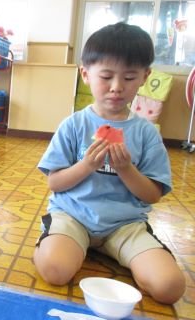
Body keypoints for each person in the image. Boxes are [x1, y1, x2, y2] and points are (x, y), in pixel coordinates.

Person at [33, 22, 186, 304]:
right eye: (106, 76)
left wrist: (126, 169)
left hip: (125, 225)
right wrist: (86, 165)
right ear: (85, 74)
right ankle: (54, 238)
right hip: (73, 216)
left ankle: (116, 251)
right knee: (55, 270)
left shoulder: (146, 133)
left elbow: (153, 194)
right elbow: (54, 182)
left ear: (144, 76)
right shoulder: (74, 125)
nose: (117, 88)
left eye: (129, 78)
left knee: (170, 287)